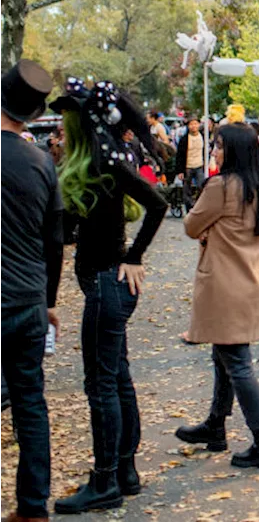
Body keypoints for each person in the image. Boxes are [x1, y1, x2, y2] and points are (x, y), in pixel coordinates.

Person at [51, 78, 167, 513]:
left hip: (107, 283)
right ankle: (125, 470)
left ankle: (105, 481)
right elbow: (68, 234)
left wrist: (135, 256)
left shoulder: (107, 166)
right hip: (103, 283)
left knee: (101, 383)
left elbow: (157, 204)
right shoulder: (93, 166)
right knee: (116, 376)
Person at [176, 123, 259, 469]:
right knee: (224, 356)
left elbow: (191, 226)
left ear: (233, 150)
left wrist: (209, 226)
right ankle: (215, 425)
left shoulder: (222, 186)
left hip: (225, 283)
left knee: (236, 362)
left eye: (219, 146)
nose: (214, 152)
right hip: (252, 278)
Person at [0, 61, 63, 522]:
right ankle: (33, 506)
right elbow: (54, 241)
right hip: (28, 301)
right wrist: (49, 300)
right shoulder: (42, 163)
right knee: (29, 402)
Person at [175, 117, 206, 212]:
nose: (194, 126)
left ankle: (199, 205)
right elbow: (179, 155)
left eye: (195, 124)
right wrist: (180, 171)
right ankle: (189, 207)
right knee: (186, 189)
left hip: (199, 165)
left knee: (202, 185)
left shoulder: (203, 137)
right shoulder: (184, 139)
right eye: (191, 124)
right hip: (187, 166)